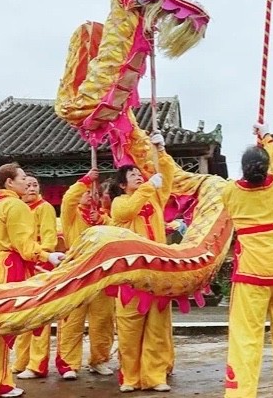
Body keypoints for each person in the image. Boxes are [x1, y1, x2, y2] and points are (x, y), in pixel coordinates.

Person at [222, 123, 273, 398]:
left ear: (242, 169)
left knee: (246, 336)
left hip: (253, 269)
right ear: (267, 166)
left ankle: (241, 393)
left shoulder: (230, 192)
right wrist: (266, 136)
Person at [0, 163, 65, 398]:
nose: (27, 182)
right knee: (3, 325)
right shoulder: (16, 205)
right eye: (23, 178)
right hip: (8, 267)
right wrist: (48, 256)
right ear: (9, 183)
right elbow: (24, 246)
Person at [109, 132, 176, 393]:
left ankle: (155, 375)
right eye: (133, 175)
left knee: (158, 327)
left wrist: (161, 151)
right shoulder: (119, 202)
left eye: (140, 173)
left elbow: (167, 176)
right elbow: (128, 212)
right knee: (129, 328)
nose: (139, 176)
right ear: (123, 185)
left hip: (157, 271)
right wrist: (149, 186)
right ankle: (130, 376)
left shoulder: (154, 197)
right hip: (130, 272)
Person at [55, 170, 116, 380]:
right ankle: (69, 364)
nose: (90, 195)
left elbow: (116, 232)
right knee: (73, 318)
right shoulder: (71, 215)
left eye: (94, 192)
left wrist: (102, 220)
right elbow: (68, 199)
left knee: (103, 319)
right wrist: (85, 180)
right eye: (86, 192)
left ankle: (100, 360)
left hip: (102, 271)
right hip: (78, 270)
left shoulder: (105, 218)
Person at [13, 176, 60, 380]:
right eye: (28, 185)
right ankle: (21, 360)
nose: (31, 188)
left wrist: (41, 257)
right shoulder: (17, 208)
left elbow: (49, 238)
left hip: (39, 262)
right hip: (22, 262)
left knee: (39, 316)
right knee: (23, 314)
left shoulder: (45, 207)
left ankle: (37, 364)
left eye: (35, 185)